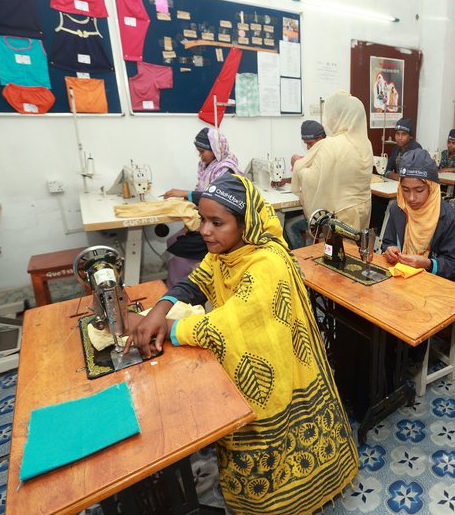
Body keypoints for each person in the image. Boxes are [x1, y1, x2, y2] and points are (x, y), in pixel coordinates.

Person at [125, 173, 358, 514]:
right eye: (203, 219)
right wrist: (161, 307)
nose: (205, 230)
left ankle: (294, 498)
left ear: (245, 223)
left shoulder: (266, 262)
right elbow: (198, 281)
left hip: (282, 364)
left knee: (272, 428)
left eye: (217, 222)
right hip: (259, 352)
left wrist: (171, 328)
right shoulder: (228, 250)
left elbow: (230, 323)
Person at [290, 91, 373, 247]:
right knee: (354, 252)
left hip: (341, 213)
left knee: (338, 257)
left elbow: (314, 180)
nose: (330, 120)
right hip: (363, 209)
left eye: (332, 116)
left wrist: (298, 166)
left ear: (339, 117)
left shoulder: (332, 144)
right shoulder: (365, 143)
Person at [163, 127, 241, 286]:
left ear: (215, 149)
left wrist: (184, 193)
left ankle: (183, 290)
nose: (200, 155)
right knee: (171, 241)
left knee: (177, 249)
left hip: (218, 226)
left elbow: (213, 197)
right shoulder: (210, 167)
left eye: (202, 151)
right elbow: (205, 194)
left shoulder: (225, 170)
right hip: (210, 221)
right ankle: (184, 286)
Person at [381, 149, 455, 279]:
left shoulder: (447, 217)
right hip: (400, 278)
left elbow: (453, 266)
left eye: (419, 190)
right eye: (405, 190)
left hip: (431, 284)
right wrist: (389, 249)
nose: (411, 198)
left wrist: (429, 264)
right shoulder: (399, 208)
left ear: (432, 187)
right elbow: (387, 242)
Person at [284, 120, 327, 248]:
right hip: (316, 209)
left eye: (310, 144)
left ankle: (302, 259)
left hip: (323, 214)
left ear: (320, 138)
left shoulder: (324, 156)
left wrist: (297, 162)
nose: (308, 148)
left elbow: (310, 178)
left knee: (289, 226)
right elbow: (302, 176)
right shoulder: (314, 154)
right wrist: (284, 180)